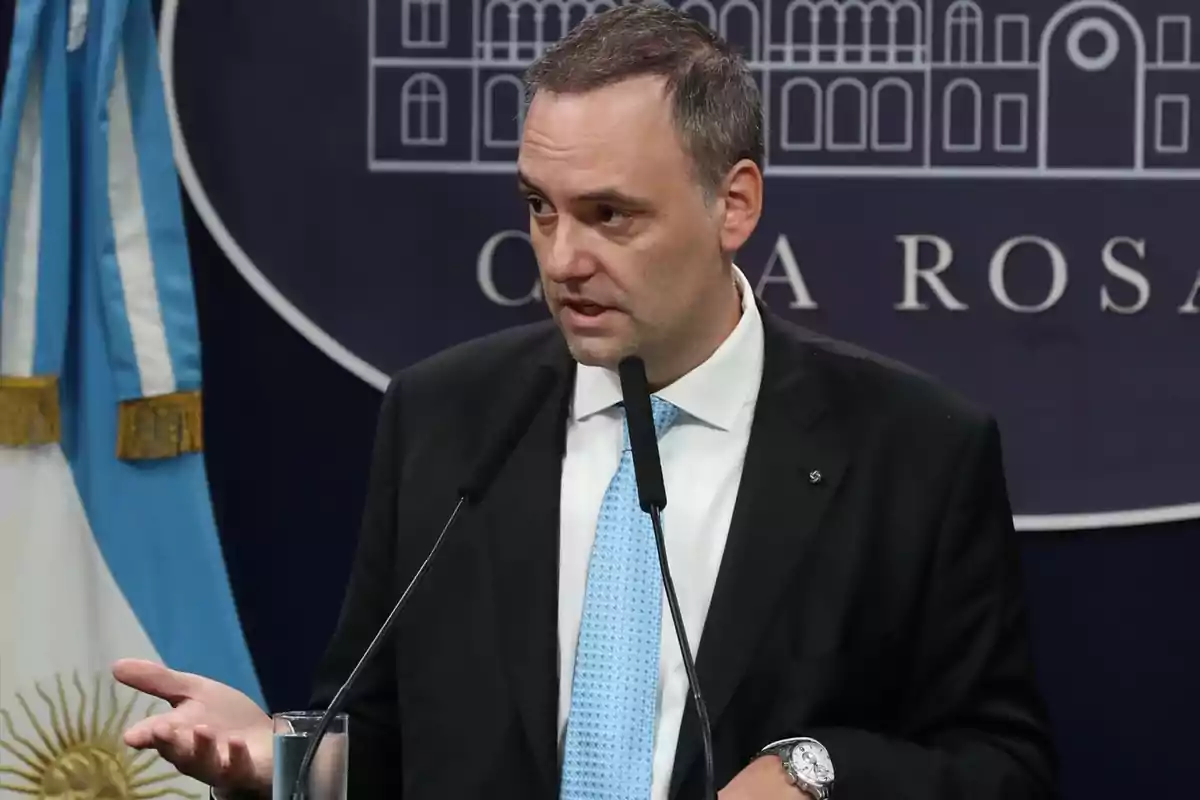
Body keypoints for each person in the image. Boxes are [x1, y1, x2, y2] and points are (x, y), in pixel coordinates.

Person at [112, 5, 1057, 799]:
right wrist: (282, 758)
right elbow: (391, 738)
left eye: (612, 215)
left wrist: (818, 771)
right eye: (539, 208)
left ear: (734, 204)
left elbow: (1003, 767)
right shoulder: (445, 418)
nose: (564, 259)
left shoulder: (912, 449)